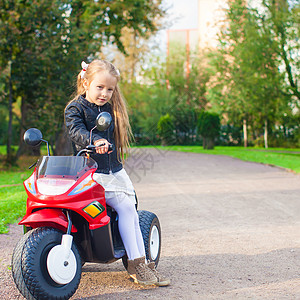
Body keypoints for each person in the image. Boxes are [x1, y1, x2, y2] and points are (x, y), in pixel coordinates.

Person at [64, 59, 170, 286]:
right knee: (125, 209)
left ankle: (142, 263)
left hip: (114, 169)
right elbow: (77, 131)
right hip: (92, 172)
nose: (104, 93)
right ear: (85, 82)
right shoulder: (75, 108)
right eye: (99, 87)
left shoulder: (110, 108)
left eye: (110, 89)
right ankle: (137, 265)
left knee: (130, 210)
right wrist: (94, 140)